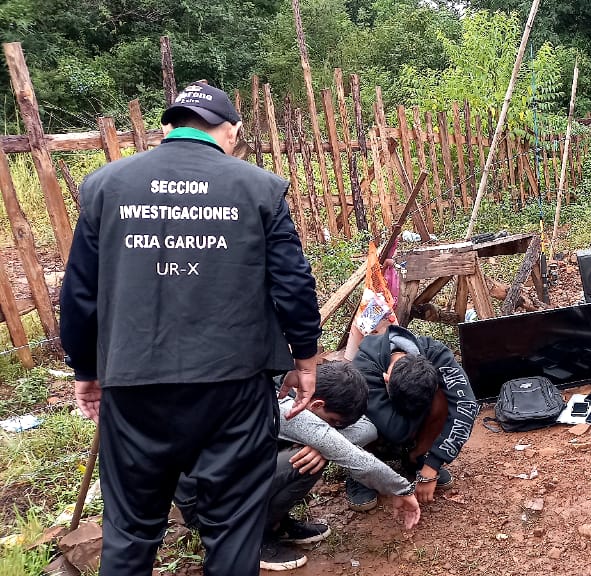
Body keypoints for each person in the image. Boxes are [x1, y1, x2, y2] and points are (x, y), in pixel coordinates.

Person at [60, 81, 322, 576]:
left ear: (167, 129)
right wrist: (304, 359)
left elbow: (79, 294)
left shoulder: (105, 187)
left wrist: (86, 368)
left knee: (131, 532)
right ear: (233, 131)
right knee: (232, 530)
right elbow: (293, 284)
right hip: (233, 388)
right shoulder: (259, 188)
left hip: (135, 384)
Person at [175, 362, 423, 570]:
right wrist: (402, 489)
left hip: (226, 478)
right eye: (333, 423)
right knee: (304, 463)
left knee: (311, 455)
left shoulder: (293, 388)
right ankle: (252, 539)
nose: (334, 429)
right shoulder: (289, 411)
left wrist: (323, 446)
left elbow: (367, 428)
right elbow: (356, 460)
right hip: (203, 502)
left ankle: (275, 524)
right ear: (317, 405)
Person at [342, 317, 478, 509]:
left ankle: (415, 458)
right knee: (361, 421)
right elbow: (395, 429)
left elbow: (467, 404)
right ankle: (362, 473)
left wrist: (431, 465)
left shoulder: (436, 354)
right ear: (386, 380)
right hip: (377, 427)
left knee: (444, 398)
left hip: (407, 425)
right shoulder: (365, 365)